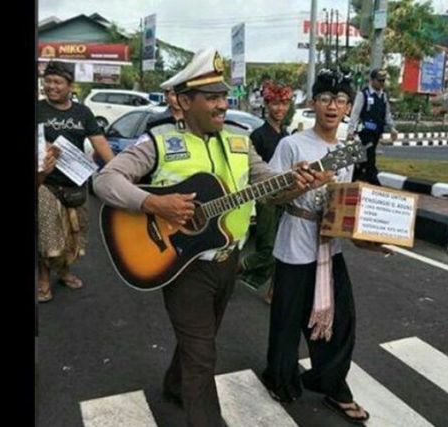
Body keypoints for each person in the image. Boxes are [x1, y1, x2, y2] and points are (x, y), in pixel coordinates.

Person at [92, 48, 333, 427]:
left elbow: (270, 188)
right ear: (184, 101)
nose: (223, 104)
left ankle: (175, 384)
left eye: (224, 96)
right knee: (203, 353)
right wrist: (155, 203)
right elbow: (105, 181)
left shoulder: (240, 141)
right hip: (183, 266)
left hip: (228, 263)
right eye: (212, 98)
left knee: (199, 342)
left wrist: (296, 181)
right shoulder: (158, 142)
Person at [262, 68, 392, 425]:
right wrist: (302, 185)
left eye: (339, 100)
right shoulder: (293, 144)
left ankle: (333, 385)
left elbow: (347, 205)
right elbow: (273, 198)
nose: (332, 106)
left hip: (329, 248)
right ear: (313, 103)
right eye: (324, 99)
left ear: (349, 106)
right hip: (294, 242)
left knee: (342, 321)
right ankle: (280, 378)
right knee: (287, 322)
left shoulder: (349, 149)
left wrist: (370, 241)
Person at [37, 61, 115, 303]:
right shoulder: (37, 109)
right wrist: (43, 148)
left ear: (70, 86)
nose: (51, 86)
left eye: (57, 82)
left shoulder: (83, 113)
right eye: (48, 81)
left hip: (76, 184)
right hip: (46, 183)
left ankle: (65, 271)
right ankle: (43, 280)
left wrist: (117, 171)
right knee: (48, 237)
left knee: (74, 237)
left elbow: (100, 143)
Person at [238, 81, 293, 302]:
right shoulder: (258, 135)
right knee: (267, 251)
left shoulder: (287, 135)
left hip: (286, 196)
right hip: (265, 199)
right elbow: (250, 171)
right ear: (267, 105)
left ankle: (273, 291)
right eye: (275, 104)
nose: (280, 109)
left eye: (284, 104)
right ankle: (232, 270)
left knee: (283, 246)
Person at [347, 68, 399, 185]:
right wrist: (350, 131)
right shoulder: (363, 94)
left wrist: (392, 128)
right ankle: (375, 185)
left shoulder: (383, 96)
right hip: (364, 134)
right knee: (370, 159)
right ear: (372, 80)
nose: (382, 83)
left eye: (383, 81)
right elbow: (355, 114)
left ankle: (351, 180)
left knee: (362, 161)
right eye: (379, 80)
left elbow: (387, 114)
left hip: (376, 134)